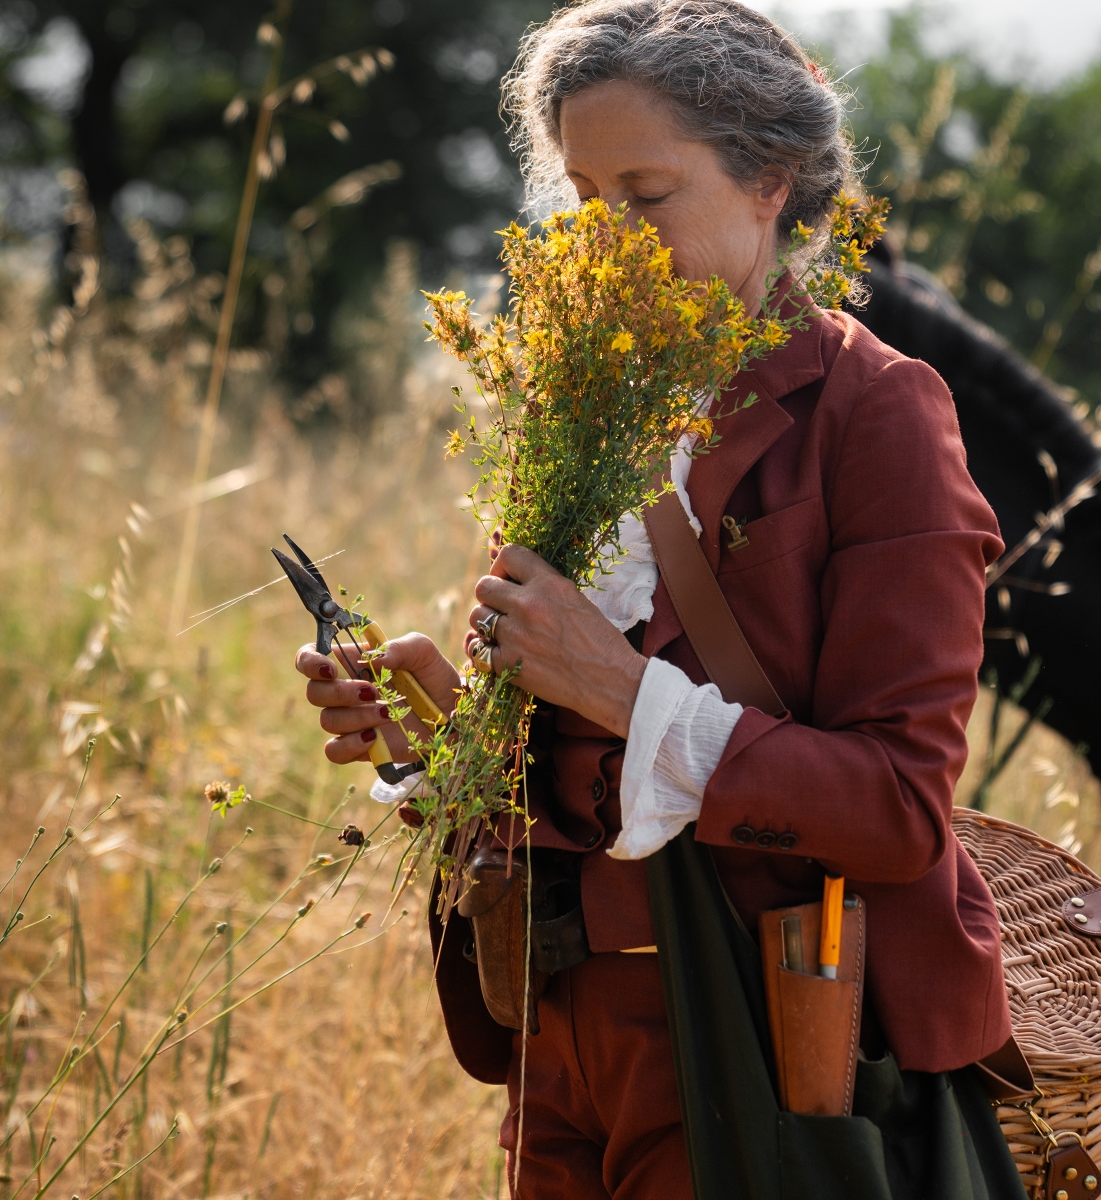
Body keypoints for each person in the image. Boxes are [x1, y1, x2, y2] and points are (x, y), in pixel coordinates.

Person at [295, 2, 1026, 1196]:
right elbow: (561, 776)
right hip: (556, 1041)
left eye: (645, 196)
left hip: (761, 1037)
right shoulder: (574, 407)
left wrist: (623, 690)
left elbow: (898, 807)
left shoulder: (876, 410)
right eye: (583, 199)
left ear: (768, 182)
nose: (605, 244)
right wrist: (437, 734)